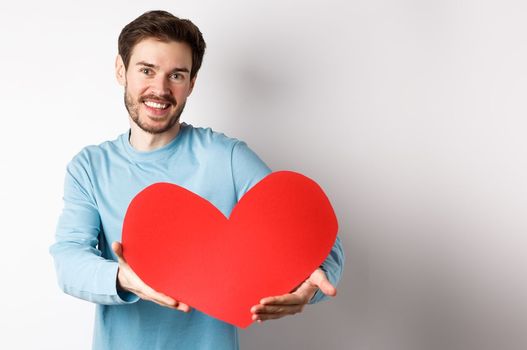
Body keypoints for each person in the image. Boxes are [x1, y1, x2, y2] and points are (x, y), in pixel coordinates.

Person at [49, 10, 344, 350]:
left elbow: (316, 238)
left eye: (176, 75)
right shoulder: (90, 166)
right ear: (121, 70)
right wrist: (122, 279)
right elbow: (69, 258)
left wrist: (308, 285)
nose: (159, 89)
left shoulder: (227, 158)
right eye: (147, 70)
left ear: (192, 83)